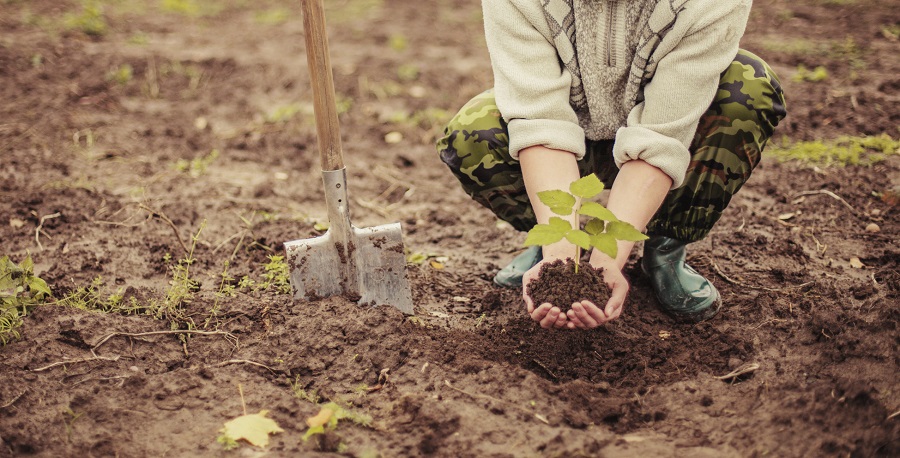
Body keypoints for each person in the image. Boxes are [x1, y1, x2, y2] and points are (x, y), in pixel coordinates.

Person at [437, 0, 787, 329]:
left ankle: (665, 244)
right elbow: (540, 123)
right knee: (474, 132)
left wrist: (607, 260)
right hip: (573, 134)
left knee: (749, 89)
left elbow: (662, 138)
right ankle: (547, 241)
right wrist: (559, 262)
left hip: (670, 135)